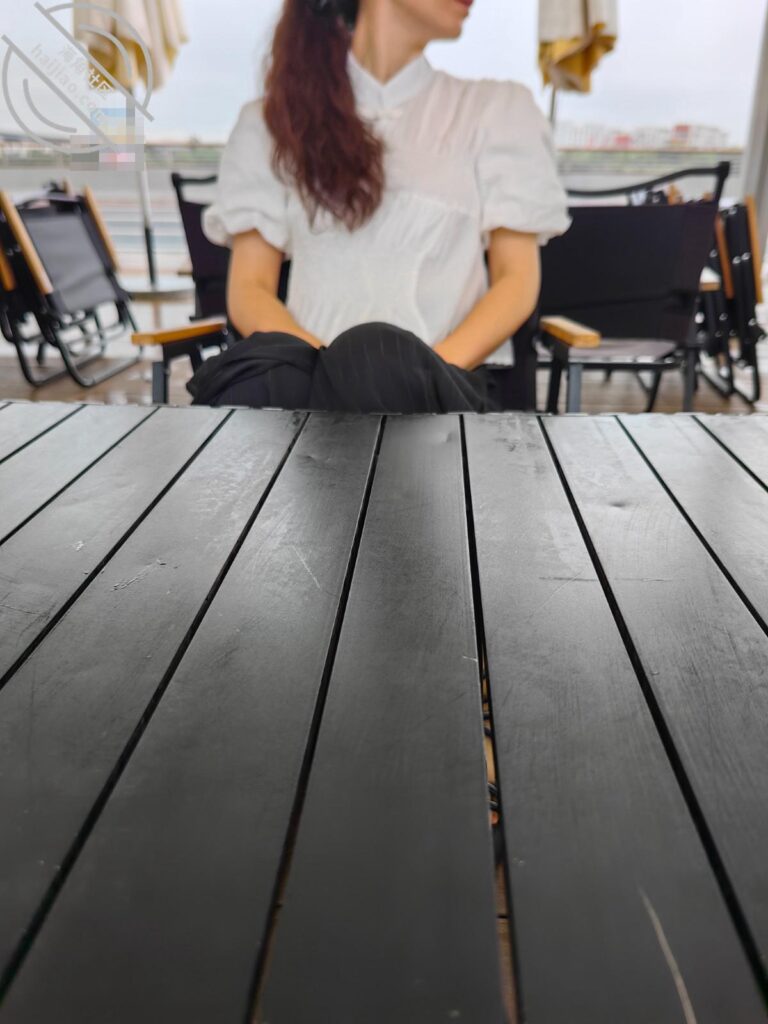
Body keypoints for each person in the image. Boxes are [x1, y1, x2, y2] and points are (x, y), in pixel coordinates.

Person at [195, 0, 571, 412]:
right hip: (307, 391)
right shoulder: (271, 123)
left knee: (375, 350)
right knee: (250, 378)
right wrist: (334, 375)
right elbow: (250, 289)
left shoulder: (496, 111)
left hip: (447, 394)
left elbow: (515, 280)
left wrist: (419, 378)